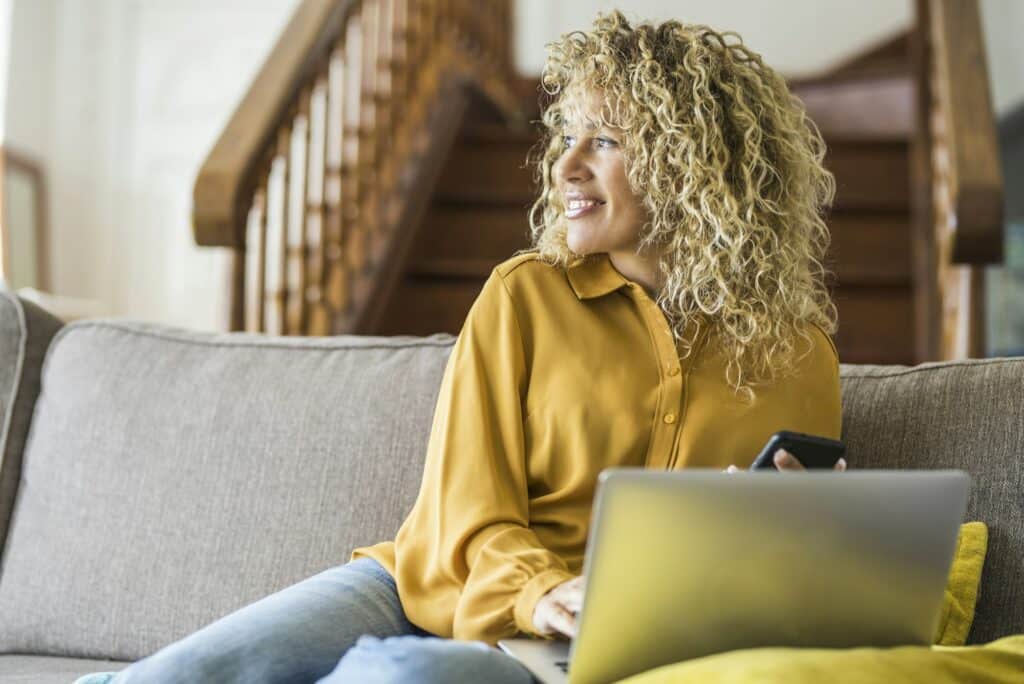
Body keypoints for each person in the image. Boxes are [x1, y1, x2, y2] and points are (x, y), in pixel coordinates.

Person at [75, 10, 845, 684]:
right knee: (179, 675)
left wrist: (809, 526)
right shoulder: (526, 297)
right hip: (422, 584)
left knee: (406, 676)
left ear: (694, 166)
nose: (566, 166)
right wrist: (541, 587)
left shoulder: (797, 356)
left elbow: (767, 580)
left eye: (604, 139)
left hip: (575, 642)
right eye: (566, 136)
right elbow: (465, 513)